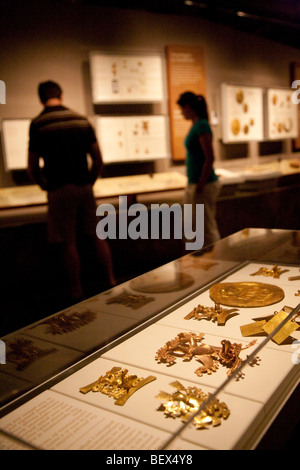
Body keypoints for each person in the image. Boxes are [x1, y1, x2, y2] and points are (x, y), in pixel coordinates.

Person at [28, 80, 116, 302]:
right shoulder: (80, 119)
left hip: (59, 188)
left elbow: (32, 164)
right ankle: (111, 279)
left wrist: (44, 184)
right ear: (62, 95)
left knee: (68, 241)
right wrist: (90, 181)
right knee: (97, 234)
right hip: (84, 186)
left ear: (41, 97)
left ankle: (77, 290)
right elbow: (98, 159)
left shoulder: (39, 124)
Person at [177, 91, 221, 249]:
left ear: (188, 107)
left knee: (206, 225)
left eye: (182, 109)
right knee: (194, 224)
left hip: (203, 184)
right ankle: (201, 259)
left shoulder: (201, 125)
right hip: (196, 182)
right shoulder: (196, 125)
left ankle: (216, 258)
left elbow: (209, 157)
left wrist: (201, 183)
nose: (181, 113)